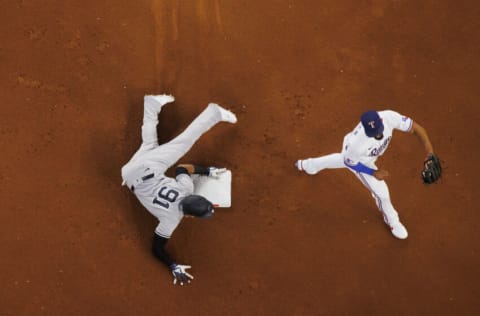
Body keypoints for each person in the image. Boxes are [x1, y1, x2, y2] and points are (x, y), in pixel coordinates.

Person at [121, 94, 237, 285]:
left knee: (176, 144)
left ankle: (211, 114)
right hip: (128, 175)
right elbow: (157, 249)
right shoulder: (170, 219)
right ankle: (211, 112)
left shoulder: (185, 188)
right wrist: (172, 266)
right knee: (158, 145)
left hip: (148, 167)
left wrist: (206, 171)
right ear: (189, 216)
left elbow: (182, 168)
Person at [294, 110, 435, 239]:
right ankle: (392, 220)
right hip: (360, 160)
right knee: (382, 193)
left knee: (341, 159)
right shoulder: (357, 145)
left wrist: (430, 154)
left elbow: (417, 129)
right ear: (366, 130)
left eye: (379, 130)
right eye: (374, 133)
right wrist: (373, 172)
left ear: (380, 120)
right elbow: (351, 163)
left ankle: (309, 165)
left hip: (353, 156)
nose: (378, 135)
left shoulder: (388, 116)